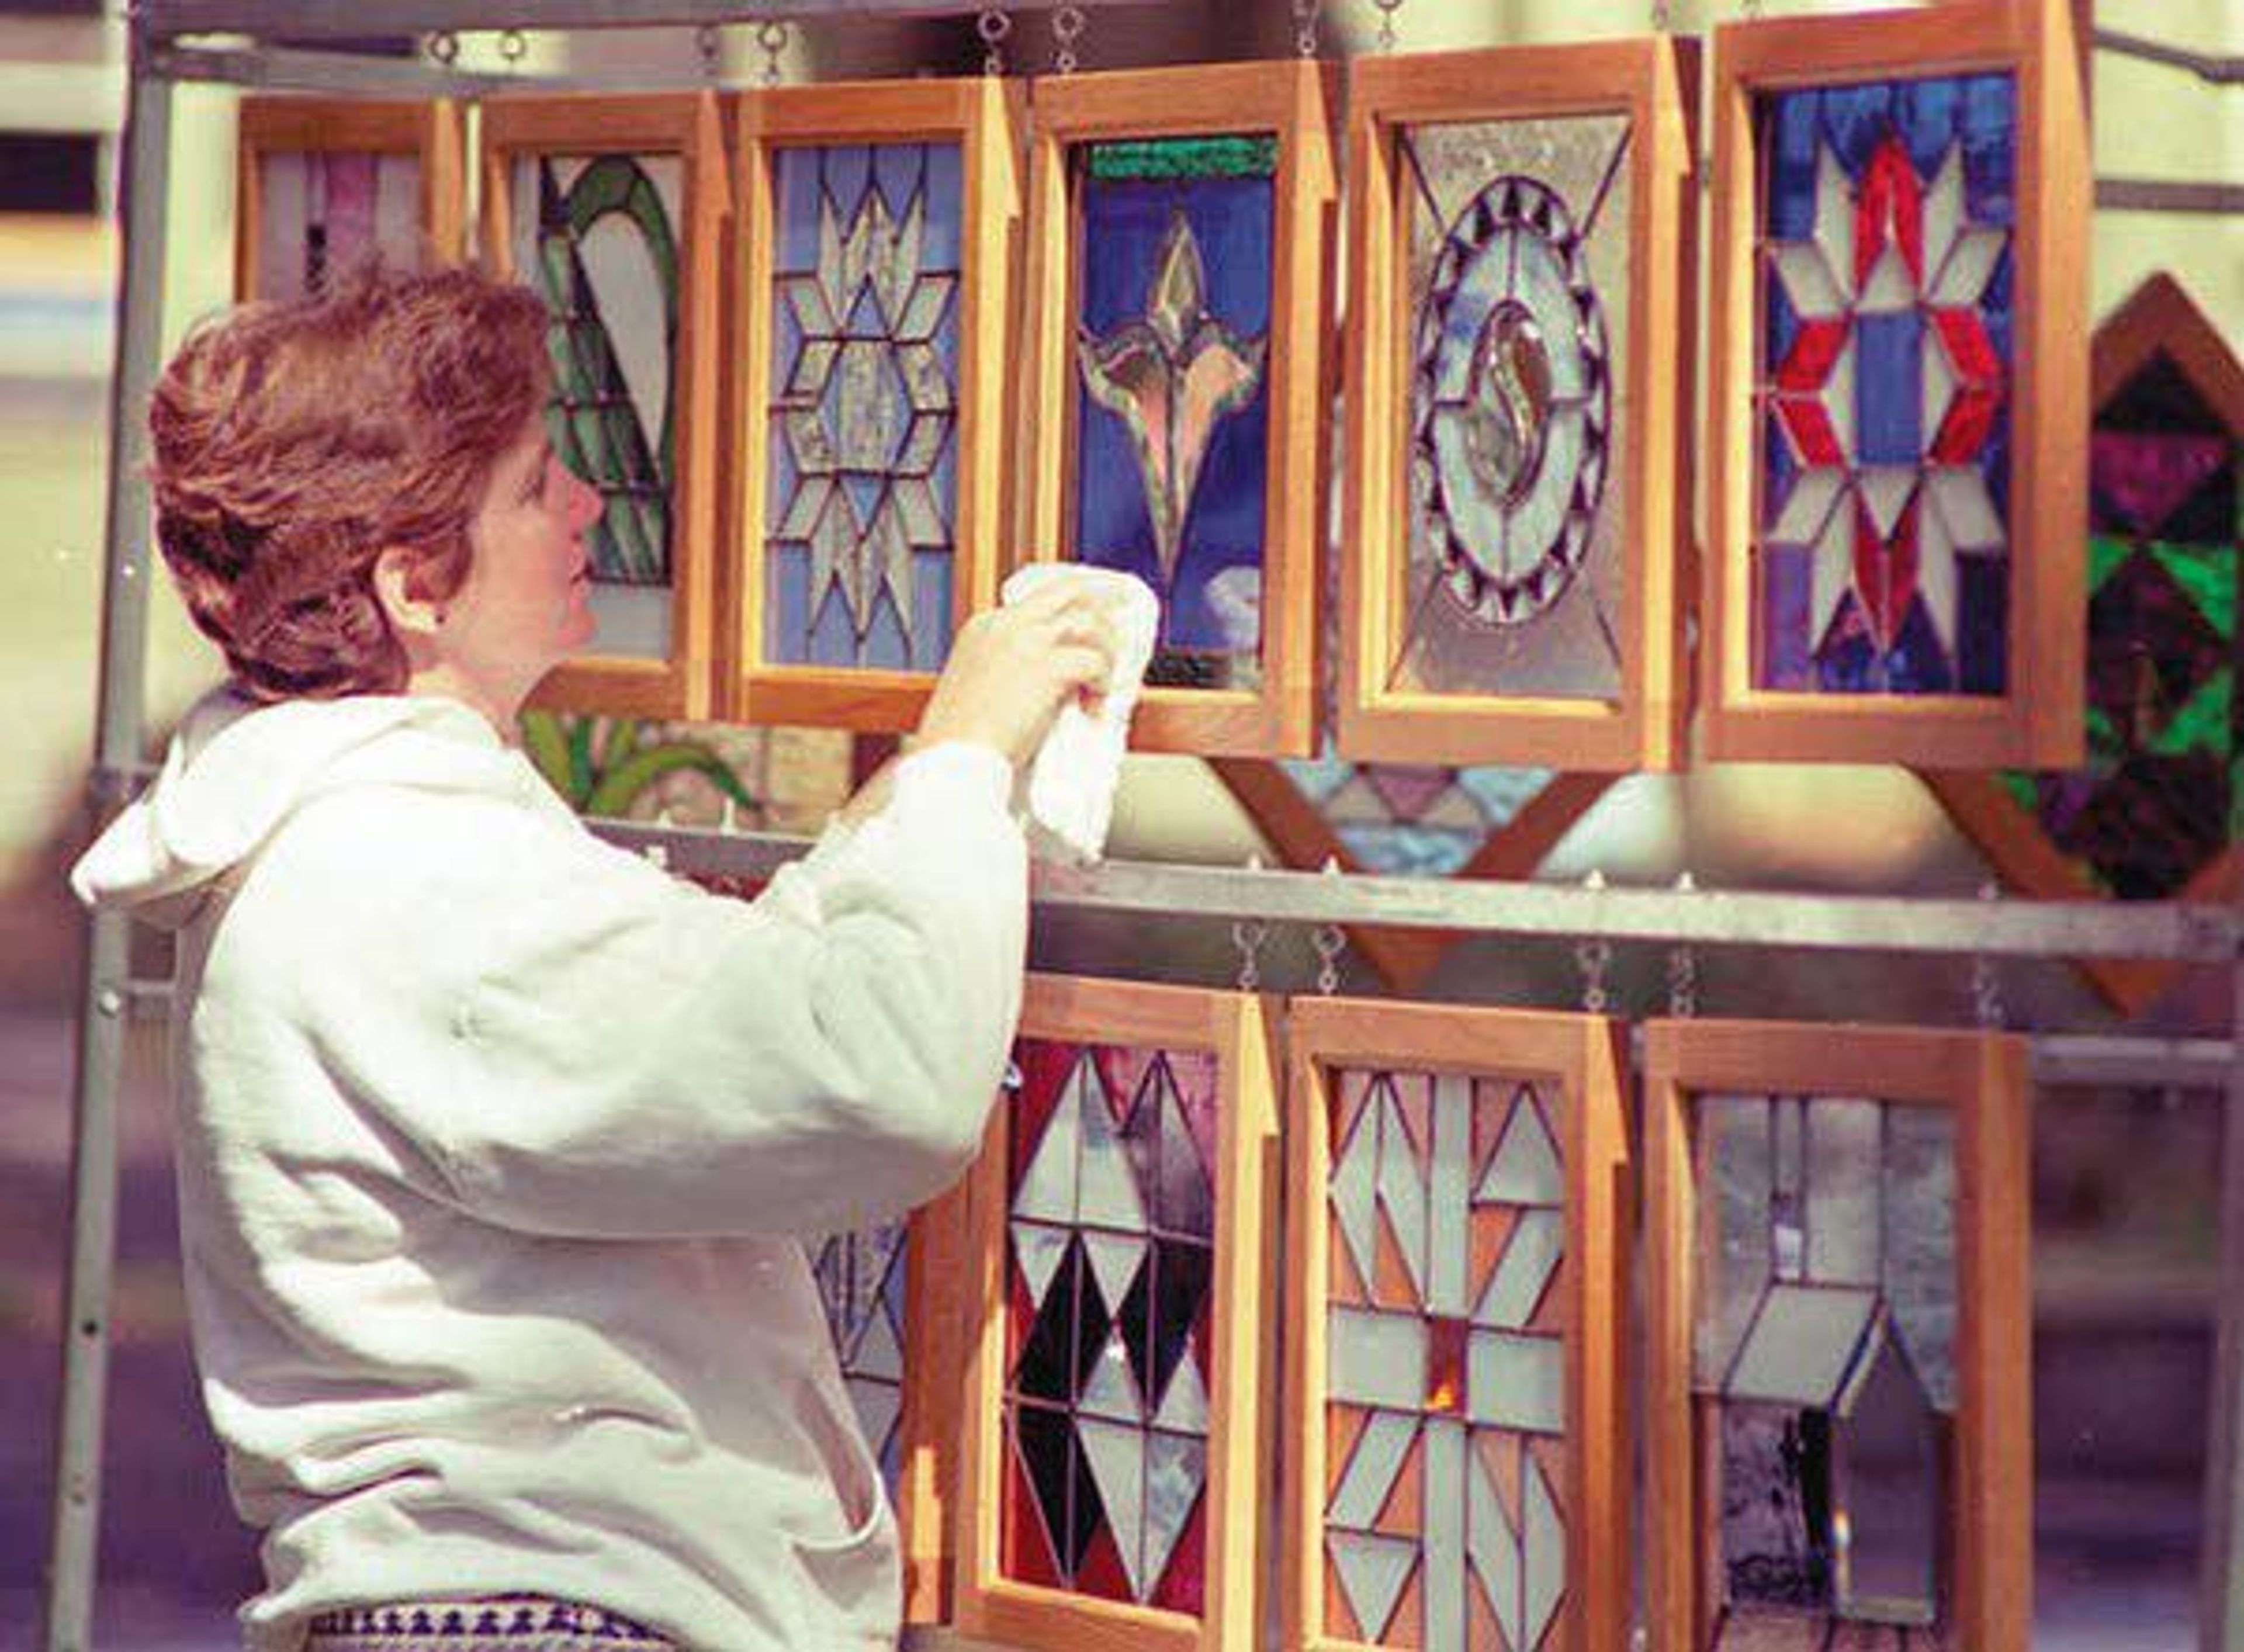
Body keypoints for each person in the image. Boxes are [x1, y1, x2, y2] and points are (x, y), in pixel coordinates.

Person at [71, 263, 1118, 1652]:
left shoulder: (360, 841)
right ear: (413, 587)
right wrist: (971, 749)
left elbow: (719, 1015)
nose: (587, 505)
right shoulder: (413, 876)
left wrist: (929, 784)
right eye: (535, 482)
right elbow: (879, 1078)